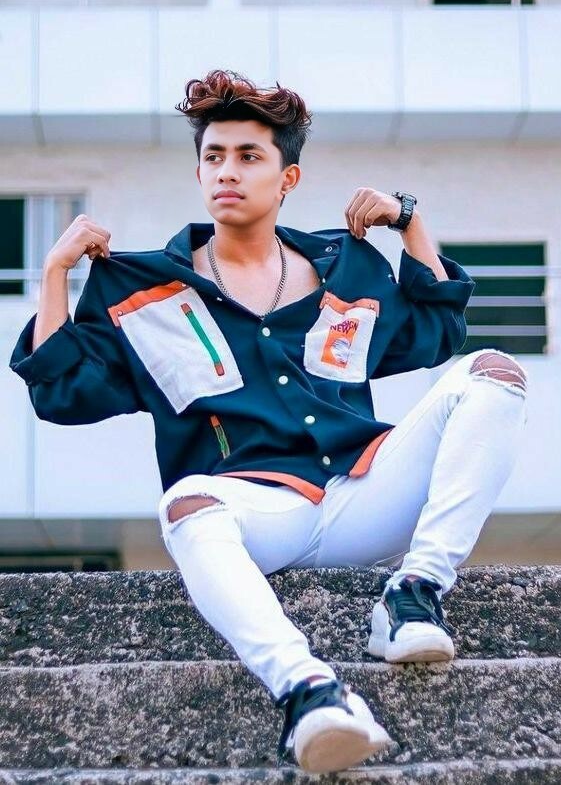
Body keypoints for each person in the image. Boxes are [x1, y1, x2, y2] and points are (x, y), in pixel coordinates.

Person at [9, 69, 529, 774]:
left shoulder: (346, 266)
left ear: (287, 178)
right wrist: (54, 274)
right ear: (199, 172)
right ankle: (310, 692)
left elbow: (438, 332)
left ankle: (414, 594)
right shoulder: (143, 292)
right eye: (214, 156)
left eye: (248, 156)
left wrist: (408, 221)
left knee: (493, 371)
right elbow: (63, 393)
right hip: (255, 513)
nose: (227, 171)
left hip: (365, 493)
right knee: (183, 503)